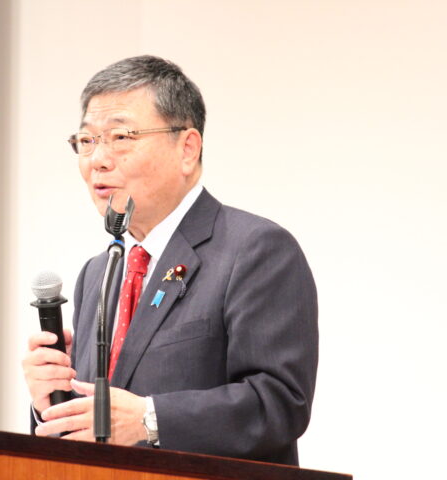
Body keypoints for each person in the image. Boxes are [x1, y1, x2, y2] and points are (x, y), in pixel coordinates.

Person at [21, 55, 318, 466]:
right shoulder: (98, 273)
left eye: (120, 136)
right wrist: (50, 401)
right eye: (87, 141)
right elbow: (101, 431)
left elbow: (279, 403)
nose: (98, 159)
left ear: (187, 149)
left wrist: (150, 420)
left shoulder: (255, 250)